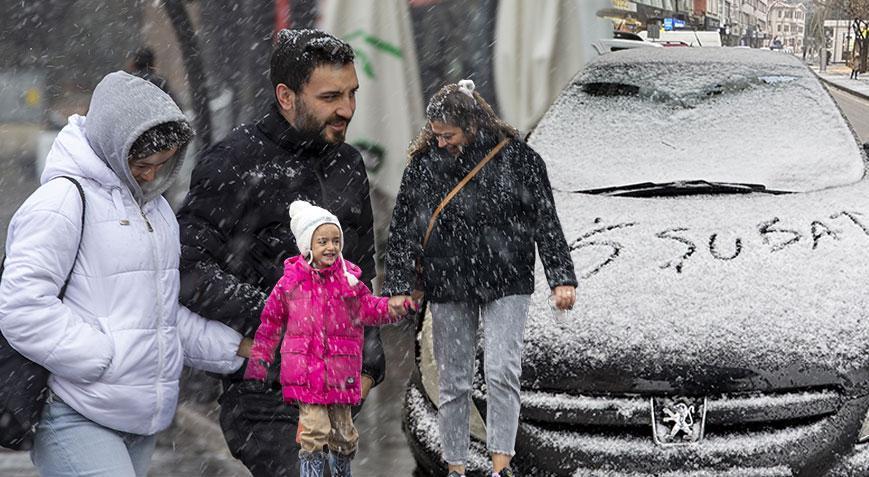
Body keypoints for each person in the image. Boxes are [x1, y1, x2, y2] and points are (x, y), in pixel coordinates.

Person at [0, 71, 249, 477]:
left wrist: (237, 350)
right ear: (114, 146)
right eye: (140, 164)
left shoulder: (157, 212)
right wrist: (100, 357)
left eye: (162, 165)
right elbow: (20, 307)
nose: (151, 175)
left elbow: (162, 316)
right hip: (74, 411)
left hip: (139, 421)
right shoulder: (61, 201)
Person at [175, 28, 386, 476]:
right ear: (286, 96)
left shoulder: (348, 164)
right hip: (264, 396)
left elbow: (359, 273)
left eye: (351, 93)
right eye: (330, 96)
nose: (347, 109)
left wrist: (369, 365)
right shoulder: (233, 162)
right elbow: (187, 269)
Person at [382, 80, 578, 477]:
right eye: (434, 135)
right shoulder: (424, 166)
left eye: (447, 135)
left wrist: (562, 277)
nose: (439, 143)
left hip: (507, 278)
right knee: (454, 381)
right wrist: (398, 286)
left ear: (472, 125)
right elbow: (403, 228)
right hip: (449, 280)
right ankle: (455, 466)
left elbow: (545, 220)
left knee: (502, 370)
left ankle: (501, 464)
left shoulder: (519, 159)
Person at [243, 201, 415, 477]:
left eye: (336, 241)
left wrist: (393, 308)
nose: (331, 247)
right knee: (314, 431)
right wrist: (260, 360)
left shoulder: (349, 285)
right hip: (305, 374)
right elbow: (270, 323)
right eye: (322, 241)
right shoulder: (290, 284)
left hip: (340, 371)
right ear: (306, 245)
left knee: (344, 435)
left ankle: (340, 470)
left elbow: (370, 308)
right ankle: (311, 472)